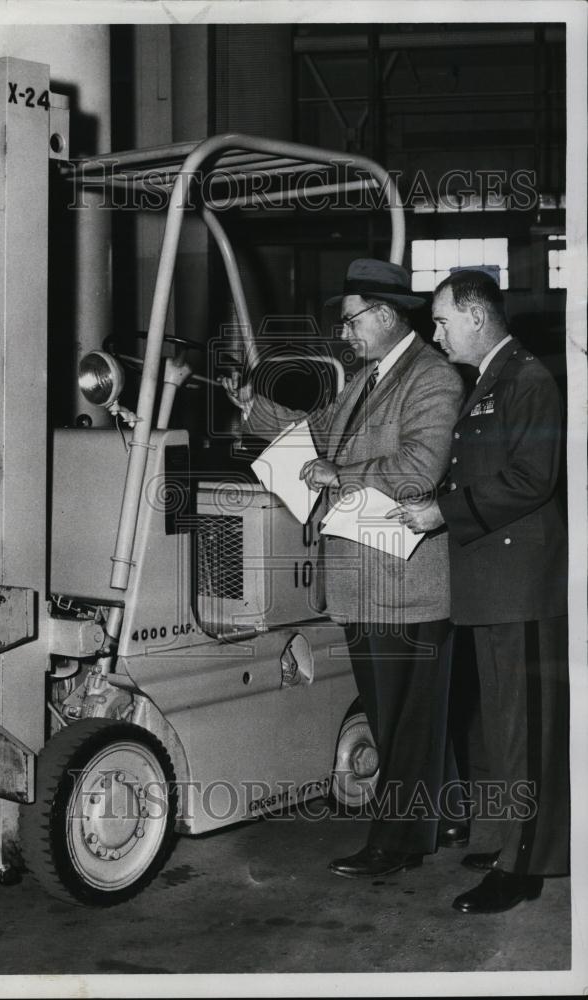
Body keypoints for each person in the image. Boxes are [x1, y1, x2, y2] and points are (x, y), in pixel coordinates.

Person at [222, 258, 466, 878]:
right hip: (362, 583)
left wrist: (343, 476)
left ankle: (399, 844)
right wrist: (257, 408)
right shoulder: (367, 379)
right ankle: (444, 810)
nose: (344, 334)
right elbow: (317, 431)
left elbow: (422, 468)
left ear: (385, 316)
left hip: (404, 583)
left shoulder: (433, 378)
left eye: (352, 320)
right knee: (394, 716)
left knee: (404, 720)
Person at [390, 269, 569, 914]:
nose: (435, 336)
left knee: (524, 731)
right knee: (505, 728)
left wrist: (445, 512)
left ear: (474, 314)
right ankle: (521, 845)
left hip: (519, 584)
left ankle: (522, 867)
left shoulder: (528, 380)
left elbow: (531, 479)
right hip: (494, 582)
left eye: (440, 322)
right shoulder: (494, 379)